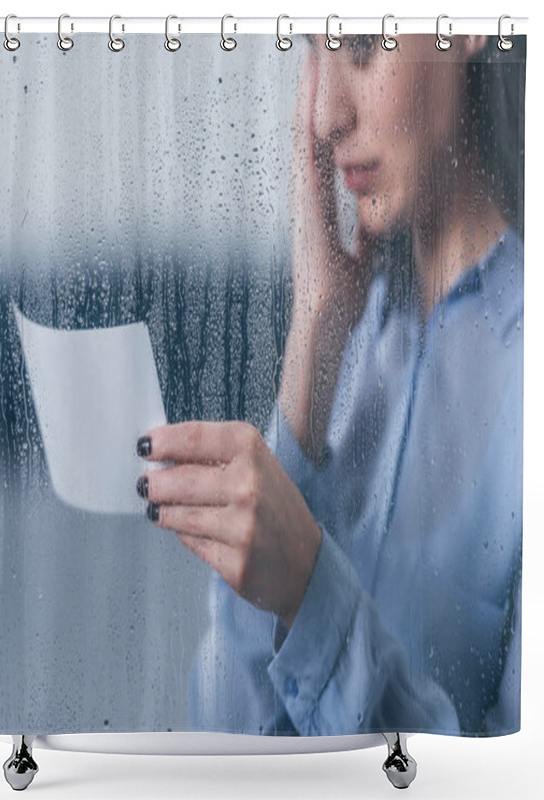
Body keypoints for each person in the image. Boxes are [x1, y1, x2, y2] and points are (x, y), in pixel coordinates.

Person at [134, 32, 523, 736]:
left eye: (365, 48)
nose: (326, 117)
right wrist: (313, 333)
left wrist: (309, 595)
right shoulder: (359, 342)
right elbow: (223, 737)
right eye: (315, 51)